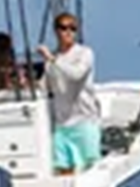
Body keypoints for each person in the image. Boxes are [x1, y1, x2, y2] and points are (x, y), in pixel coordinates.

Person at [37, 13, 101, 175]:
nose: (68, 32)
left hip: (84, 121)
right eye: (64, 28)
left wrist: (52, 59)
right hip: (62, 125)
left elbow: (76, 74)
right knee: (63, 171)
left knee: (90, 170)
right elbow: (45, 87)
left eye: (73, 28)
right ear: (56, 31)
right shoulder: (51, 60)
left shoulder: (84, 53)